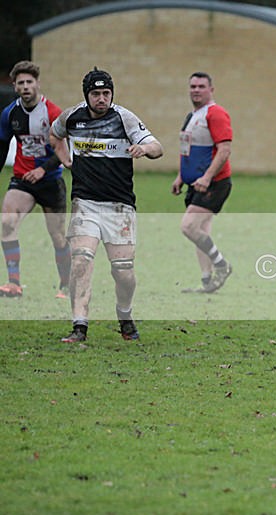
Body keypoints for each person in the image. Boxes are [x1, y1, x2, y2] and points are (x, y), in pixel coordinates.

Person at [50, 68, 163, 343]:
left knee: (123, 272)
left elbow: (157, 147)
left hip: (119, 207)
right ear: (86, 95)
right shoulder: (72, 117)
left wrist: (143, 149)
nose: (102, 99)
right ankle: (80, 326)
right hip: (85, 203)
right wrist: (66, 160)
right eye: (96, 94)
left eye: (106, 93)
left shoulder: (123, 117)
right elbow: (55, 136)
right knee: (81, 261)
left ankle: (124, 314)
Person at [0, 60, 69, 298]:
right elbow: (1, 147)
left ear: (38, 84)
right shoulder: (9, 114)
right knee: (7, 223)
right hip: (22, 180)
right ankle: (14, 283)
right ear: (15, 86)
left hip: (51, 181)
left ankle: (66, 285)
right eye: (21, 83)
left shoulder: (53, 113)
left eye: (30, 82)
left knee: (58, 237)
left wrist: (43, 170)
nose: (26, 86)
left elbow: (63, 151)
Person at [172, 72, 233, 293]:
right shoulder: (192, 116)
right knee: (201, 230)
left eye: (201, 86)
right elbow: (187, 150)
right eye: (193, 86)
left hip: (214, 183)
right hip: (194, 183)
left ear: (211, 89)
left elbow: (224, 150)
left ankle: (221, 265)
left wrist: (207, 177)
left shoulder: (216, 114)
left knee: (188, 227)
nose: (196, 90)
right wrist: (181, 176)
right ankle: (207, 282)